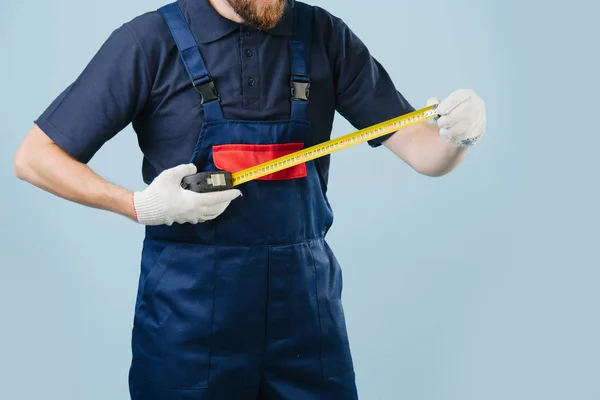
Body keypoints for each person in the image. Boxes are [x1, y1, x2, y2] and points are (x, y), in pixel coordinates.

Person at [13, 0, 486, 398]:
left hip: (307, 323)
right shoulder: (148, 42)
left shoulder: (324, 36)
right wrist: (140, 206)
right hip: (187, 328)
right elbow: (35, 157)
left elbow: (424, 153)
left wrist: (458, 138)